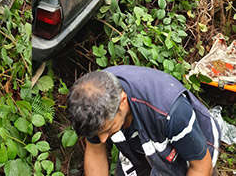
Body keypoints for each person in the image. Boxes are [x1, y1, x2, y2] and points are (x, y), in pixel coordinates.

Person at [67, 66, 220, 176]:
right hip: (139, 141)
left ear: (123, 101)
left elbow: (200, 166)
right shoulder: (92, 104)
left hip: (190, 145)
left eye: (107, 130)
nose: (103, 139)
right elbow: (95, 152)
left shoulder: (171, 112)